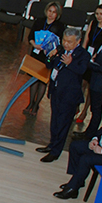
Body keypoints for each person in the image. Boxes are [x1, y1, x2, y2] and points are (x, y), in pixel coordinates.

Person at [36, 29, 90, 163]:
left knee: (63, 124)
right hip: (56, 91)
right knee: (54, 121)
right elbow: (49, 64)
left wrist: (70, 63)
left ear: (78, 41)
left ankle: (56, 152)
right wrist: (50, 55)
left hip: (69, 95)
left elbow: (82, 70)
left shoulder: (83, 54)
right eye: (64, 40)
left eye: (69, 42)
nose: (66, 44)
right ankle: (52, 144)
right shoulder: (60, 50)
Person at [24, 2, 65, 115]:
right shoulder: (39, 21)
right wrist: (35, 45)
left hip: (49, 56)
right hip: (37, 53)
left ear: (57, 14)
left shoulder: (60, 26)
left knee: (42, 81)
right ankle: (30, 103)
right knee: (34, 78)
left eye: (54, 12)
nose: (51, 14)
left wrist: (54, 51)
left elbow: (61, 44)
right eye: (49, 11)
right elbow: (30, 37)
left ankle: (36, 105)